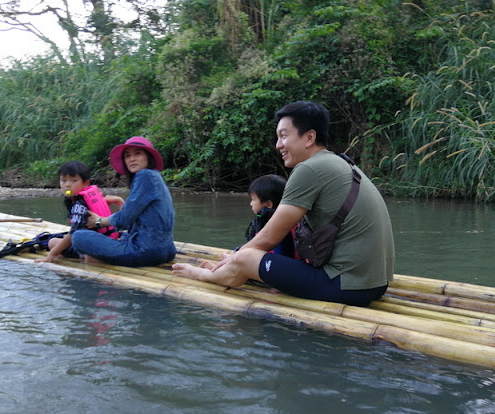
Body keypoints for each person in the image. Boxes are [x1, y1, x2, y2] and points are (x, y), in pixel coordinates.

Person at [173, 101, 394, 306]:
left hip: (347, 286)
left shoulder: (309, 169)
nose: (278, 145)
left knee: (246, 258)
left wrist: (234, 259)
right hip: (375, 284)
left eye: (284, 136)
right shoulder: (343, 164)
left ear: (309, 138)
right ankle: (229, 267)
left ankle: (207, 275)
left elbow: (269, 238)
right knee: (245, 257)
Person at [70, 136, 177, 266]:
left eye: (138, 153)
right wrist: (120, 202)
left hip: (146, 252)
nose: (132, 159)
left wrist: (99, 221)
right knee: (124, 235)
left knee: (79, 236)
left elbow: (123, 220)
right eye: (127, 156)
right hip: (167, 250)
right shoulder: (155, 177)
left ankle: (93, 257)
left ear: (148, 157)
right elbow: (132, 222)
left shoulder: (144, 175)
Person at [35, 161, 95, 263]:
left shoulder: (79, 205)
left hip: (92, 247)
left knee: (89, 257)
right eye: (63, 181)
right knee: (52, 242)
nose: (67, 185)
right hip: (86, 242)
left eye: (73, 181)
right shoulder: (86, 197)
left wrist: (51, 254)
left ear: (85, 183)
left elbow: (72, 234)